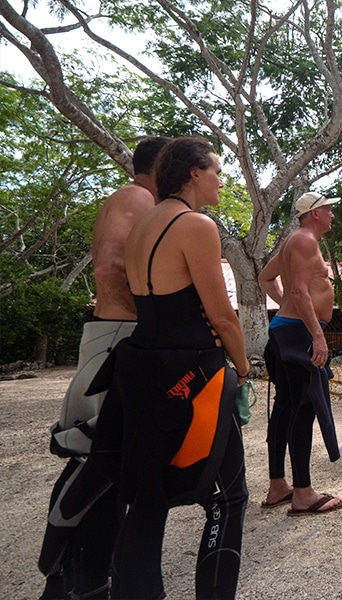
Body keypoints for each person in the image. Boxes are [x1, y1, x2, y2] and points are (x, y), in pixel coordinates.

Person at [88, 136, 250, 599]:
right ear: (195, 173)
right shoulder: (195, 224)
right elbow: (222, 315)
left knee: (146, 499)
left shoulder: (145, 222)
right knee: (228, 497)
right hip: (191, 371)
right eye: (217, 170)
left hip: (140, 366)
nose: (221, 179)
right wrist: (244, 366)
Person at [38, 136, 170, 600]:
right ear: (160, 166)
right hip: (118, 333)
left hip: (120, 333)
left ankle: (90, 572)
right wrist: (161, 314)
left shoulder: (140, 201)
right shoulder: (135, 197)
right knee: (94, 451)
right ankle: (66, 574)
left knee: (115, 456)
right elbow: (112, 267)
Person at [258, 191, 342, 515]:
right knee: (303, 409)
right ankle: (303, 493)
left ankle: (278, 485)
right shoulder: (304, 240)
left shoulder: (294, 241)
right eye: (328, 209)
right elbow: (298, 290)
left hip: (287, 329)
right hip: (297, 334)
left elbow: (266, 278)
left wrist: (284, 308)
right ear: (314, 213)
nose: (332, 214)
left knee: (285, 408)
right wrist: (317, 336)